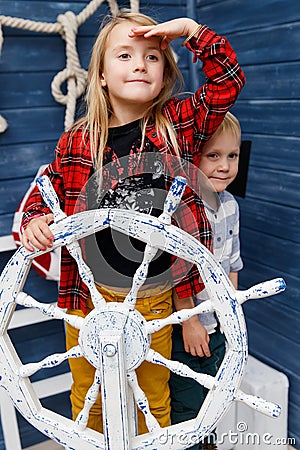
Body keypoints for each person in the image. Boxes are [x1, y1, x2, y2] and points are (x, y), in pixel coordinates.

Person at [21, 10, 245, 435]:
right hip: (88, 295)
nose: (140, 64)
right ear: (101, 76)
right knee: (87, 394)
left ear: (164, 73)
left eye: (152, 57)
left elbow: (227, 81)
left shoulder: (178, 125)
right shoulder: (78, 140)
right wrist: (36, 217)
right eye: (124, 55)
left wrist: (192, 32)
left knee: (152, 397)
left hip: (153, 295)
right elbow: (45, 189)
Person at [170, 111, 244, 449]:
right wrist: (190, 321)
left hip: (217, 323)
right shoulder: (183, 207)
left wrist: (232, 317)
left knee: (212, 396)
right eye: (213, 156)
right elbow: (174, 270)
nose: (225, 166)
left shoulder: (230, 206)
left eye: (233, 156)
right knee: (186, 402)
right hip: (186, 324)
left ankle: (207, 441)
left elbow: (232, 263)